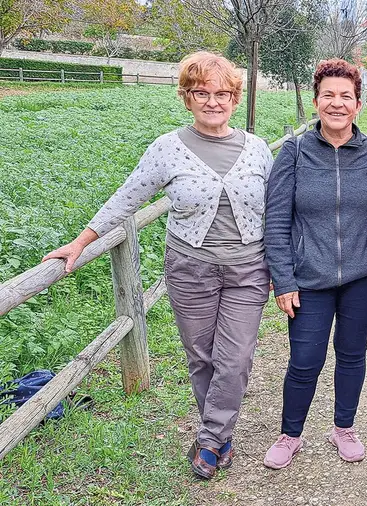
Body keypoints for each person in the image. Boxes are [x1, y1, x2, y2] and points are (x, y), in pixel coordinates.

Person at [43, 52, 274, 479]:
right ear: (186, 97)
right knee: (202, 357)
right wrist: (80, 242)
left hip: (248, 270)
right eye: (201, 92)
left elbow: (278, 210)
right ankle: (219, 435)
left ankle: (208, 440)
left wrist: (286, 267)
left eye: (222, 93)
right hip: (190, 269)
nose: (213, 102)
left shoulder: (257, 149)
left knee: (235, 359)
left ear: (236, 98)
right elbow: (127, 197)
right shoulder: (167, 148)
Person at [262, 59, 367, 470]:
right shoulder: (295, 152)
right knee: (304, 359)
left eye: (345, 97)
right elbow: (276, 220)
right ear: (316, 102)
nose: (337, 104)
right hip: (308, 279)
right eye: (328, 96)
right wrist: (283, 280)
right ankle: (290, 434)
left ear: (358, 105)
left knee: (352, 354)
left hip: (362, 278)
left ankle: (344, 428)